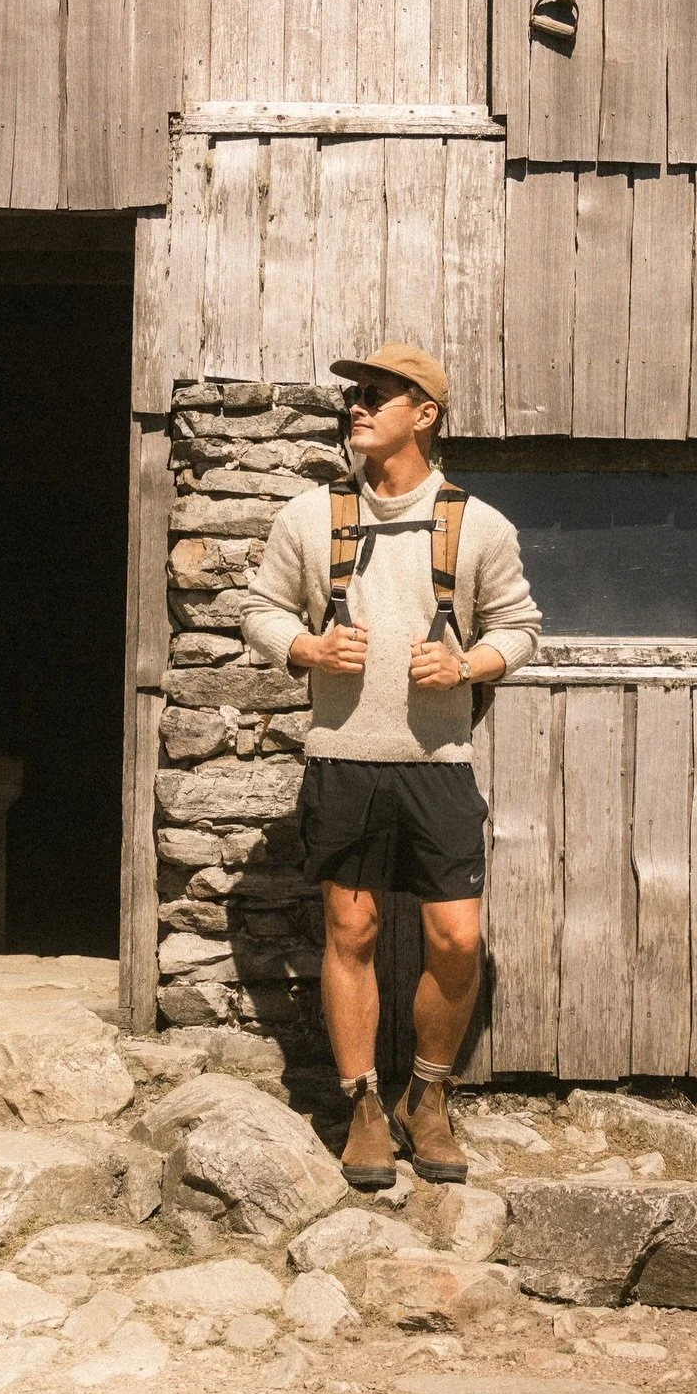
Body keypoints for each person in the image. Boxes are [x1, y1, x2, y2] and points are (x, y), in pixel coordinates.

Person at [240, 344, 542, 1189]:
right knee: (353, 933)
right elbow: (259, 610)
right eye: (355, 397)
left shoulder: (477, 525)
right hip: (343, 760)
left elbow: (519, 627)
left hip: (438, 763)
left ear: (427, 414)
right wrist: (305, 645)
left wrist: (467, 666)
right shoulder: (309, 517)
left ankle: (430, 1096)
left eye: (378, 395)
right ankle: (364, 1104)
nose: (358, 408)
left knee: (456, 938)